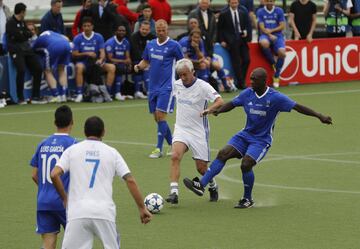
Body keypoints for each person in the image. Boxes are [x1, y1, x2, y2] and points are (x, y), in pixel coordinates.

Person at [183, 67, 333, 209]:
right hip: (245, 135)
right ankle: (201, 185)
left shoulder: (276, 98)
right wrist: (218, 111)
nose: (251, 82)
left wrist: (319, 116)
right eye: (250, 79)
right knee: (223, 153)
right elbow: (233, 104)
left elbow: (297, 107)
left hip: (261, 140)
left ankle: (247, 199)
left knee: (246, 164)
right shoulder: (247, 93)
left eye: (254, 80)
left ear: (263, 81)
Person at [51, 116, 152, 248]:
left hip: (77, 212)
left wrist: (65, 198)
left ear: (84, 131)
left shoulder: (72, 151)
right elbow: (130, 180)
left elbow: (54, 174)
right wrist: (141, 208)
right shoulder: (112, 152)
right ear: (103, 132)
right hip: (104, 213)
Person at [165, 58, 224, 204]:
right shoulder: (177, 84)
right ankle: (174, 193)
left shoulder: (203, 86)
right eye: (180, 75)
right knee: (175, 156)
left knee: (201, 168)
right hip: (181, 129)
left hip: (199, 132)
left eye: (185, 74)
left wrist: (208, 110)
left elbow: (219, 101)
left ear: (193, 72)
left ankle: (213, 185)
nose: (183, 78)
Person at [134, 20, 184, 158]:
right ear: (155, 30)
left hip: (167, 87)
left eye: (163, 30)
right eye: (158, 30)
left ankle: (158, 149)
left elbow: (182, 63)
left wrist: (184, 82)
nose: (161, 32)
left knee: (160, 115)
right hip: (153, 87)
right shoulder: (150, 45)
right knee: (157, 118)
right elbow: (146, 61)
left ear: (167, 30)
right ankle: (174, 145)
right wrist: (138, 66)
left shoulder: (174, 46)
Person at [30, 105, 76, 249]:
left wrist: (47, 189)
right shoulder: (73, 144)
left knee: (48, 243)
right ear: (72, 122)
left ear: (55, 122)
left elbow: (34, 175)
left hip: (43, 201)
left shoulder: (42, 144)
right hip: (65, 202)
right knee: (76, 242)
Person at [6, 3, 45, 104]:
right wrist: (23, 34)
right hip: (16, 50)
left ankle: (35, 96)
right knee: (21, 70)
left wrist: (23, 34)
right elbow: (18, 37)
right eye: (25, 11)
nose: (25, 13)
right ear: (22, 12)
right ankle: (20, 98)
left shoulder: (23, 22)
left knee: (38, 68)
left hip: (26, 50)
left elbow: (29, 34)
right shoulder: (10, 23)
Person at [72, 17, 116, 103]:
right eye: (84, 26)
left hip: (96, 62)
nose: (87, 28)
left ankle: (107, 92)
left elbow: (102, 51)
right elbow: (74, 54)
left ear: (92, 26)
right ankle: (79, 94)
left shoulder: (98, 37)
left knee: (112, 67)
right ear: (82, 27)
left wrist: (100, 59)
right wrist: (87, 53)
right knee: (79, 67)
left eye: (88, 26)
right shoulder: (78, 38)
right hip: (84, 63)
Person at [217, 0, 251, 89]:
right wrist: (221, 40)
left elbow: (247, 25)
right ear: (229, 3)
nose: (234, 4)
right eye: (232, 3)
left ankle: (241, 81)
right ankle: (241, 83)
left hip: (242, 39)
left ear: (238, 3)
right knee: (236, 62)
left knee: (247, 60)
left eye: (236, 2)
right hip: (231, 40)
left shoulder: (243, 12)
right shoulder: (224, 13)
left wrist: (246, 33)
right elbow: (220, 28)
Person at [32, 31, 71, 103]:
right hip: (67, 45)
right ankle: (63, 95)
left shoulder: (39, 39)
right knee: (61, 70)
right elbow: (67, 38)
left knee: (47, 71)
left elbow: (33, 49)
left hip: (54, 47)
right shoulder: (53, 33)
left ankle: (56, 95)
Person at [257, 0, 286, 88]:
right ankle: (273, 62)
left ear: (274, 2)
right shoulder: (260, 11)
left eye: (271, 1)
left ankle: (276, 76)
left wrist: (272, 31)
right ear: (265, 2)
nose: (270, 3)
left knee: (282, 53)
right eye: (268, 1)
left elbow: (282, 26)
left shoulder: (279, 10)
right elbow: (261, 27)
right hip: (265, 35)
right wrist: (269, 34)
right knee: (264, 43)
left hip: (278, 35)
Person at [105, 24, 132, 101]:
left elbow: (127, 56)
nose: (121, 32)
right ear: (116, 31)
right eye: (119, 30)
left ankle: (136, 91)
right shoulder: (110, 42)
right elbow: (110, 59)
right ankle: (113, 93)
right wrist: (124, 61)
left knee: (133, 67)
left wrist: (129, 63)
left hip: (120, 63)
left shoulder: (126, 42)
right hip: (108, 64)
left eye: (123, 31)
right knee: (119, 68)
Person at [130, 20, 156, 96]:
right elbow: (135, 51)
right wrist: (144, 61)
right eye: (143, 29)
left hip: (149, 60)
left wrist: (148, 61)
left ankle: (149, 91)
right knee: (138, 66)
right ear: (139, 28)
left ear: (150, 30)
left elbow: (154, 50)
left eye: (146, 30)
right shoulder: (134, 37)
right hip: (136, 59)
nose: (144, 31)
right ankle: (138, 91)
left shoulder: (153, 37)